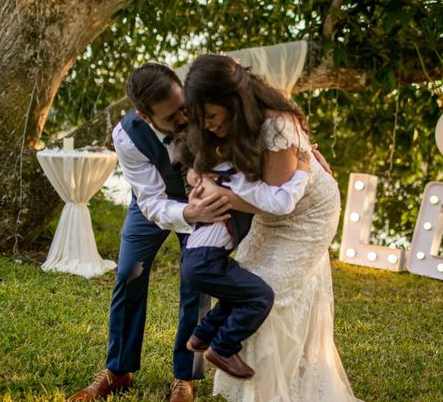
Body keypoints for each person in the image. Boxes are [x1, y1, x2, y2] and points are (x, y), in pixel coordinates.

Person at [184, 54, 360, 402]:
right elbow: (201, 166)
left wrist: (226, 195)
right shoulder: (233, 124)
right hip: (270, 204)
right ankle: (236, 370)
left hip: (306, 214)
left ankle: (273, 389)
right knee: (250, 276)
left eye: (212, 117)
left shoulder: (277, 127)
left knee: (274, 290)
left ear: (233, 102)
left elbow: (281, 202)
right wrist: (202, 180)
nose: (208, 126)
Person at [70, 63, 233, 402]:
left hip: (205, 197)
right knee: (128, 272)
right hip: (155, 203)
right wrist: (188, 212)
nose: (184, 120)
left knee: (196, 280)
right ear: (145, 117)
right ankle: (118, 370)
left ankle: (185, 377)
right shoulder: (127, 135)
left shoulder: (204, 105)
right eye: (171, 118)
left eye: (183, 108)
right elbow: (151, 201)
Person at [174, 136, 310, 380]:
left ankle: (202, 335)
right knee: (261, 296)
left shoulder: (213, 177)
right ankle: (223, 347)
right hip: (205, 260)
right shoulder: (235, 180)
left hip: (196, 258)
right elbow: (282, 202)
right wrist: (300, 170)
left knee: (240, 293)